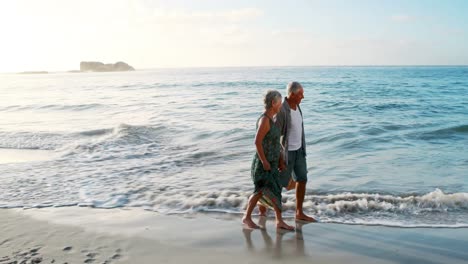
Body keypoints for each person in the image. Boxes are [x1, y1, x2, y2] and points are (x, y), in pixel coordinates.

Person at [242, 90, 294, 230]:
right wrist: (264, 161)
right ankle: (247, 218)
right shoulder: (265, 120)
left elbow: (275, 143)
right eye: (279, 103)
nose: (281, 106)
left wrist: (280, 161)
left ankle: (276, 220)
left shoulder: (272, 119)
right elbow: (257, 142)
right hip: (263, 164)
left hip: (272, 162)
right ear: (273, 103)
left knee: (273, 190)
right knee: (261, 190)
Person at [276, 81, 316, 222]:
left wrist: (303, 149)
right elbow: (276, 136)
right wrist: (280, 159)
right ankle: (276, 217)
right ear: (292, 94)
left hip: (299, 151)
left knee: (302, 179)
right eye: (300, 94)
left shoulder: (297, 106)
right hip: (287, 154)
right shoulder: (282, 110)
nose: (303, 97)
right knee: (279, 185)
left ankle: (299, 212)